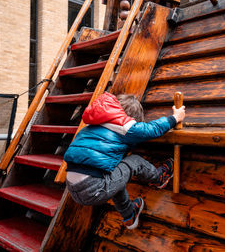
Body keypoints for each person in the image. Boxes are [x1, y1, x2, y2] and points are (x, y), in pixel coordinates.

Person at [64, 92, 185, 230]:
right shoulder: (124, 125)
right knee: (135, 161)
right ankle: (159, 178)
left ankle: (129, 215)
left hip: (73, 189)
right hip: (94, 187)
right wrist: (175, 118)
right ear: (131, 118)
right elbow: (150, 129)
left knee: (116, 175)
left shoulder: (91, 127)